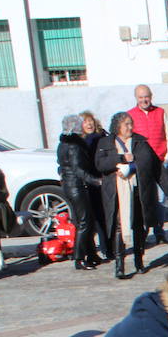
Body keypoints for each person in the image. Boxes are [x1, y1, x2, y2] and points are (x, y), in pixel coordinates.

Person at [95, 112, 160, 279]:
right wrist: (121, 158)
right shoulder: (105, 142)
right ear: (118, 127)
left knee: (139, 226)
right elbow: (100, 164)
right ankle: (119, 265)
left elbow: (152, 164)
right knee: (119, 226)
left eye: (131, 124)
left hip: (137, 190)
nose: (130, 127)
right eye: (126, 125)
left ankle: (139, 261)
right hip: (116, 192)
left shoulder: (140, 141)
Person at [127, 84, 168, 245]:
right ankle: (144, 232)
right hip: (141, 164)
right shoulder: (130, 115)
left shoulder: (160, 112)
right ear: (136, 98)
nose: (144, 100)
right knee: (144, 199)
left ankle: (159, 230)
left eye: (146, 96)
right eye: (141, 97)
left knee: (160, 198)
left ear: (151, 97)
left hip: (159, 160)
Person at [57, 114, 102, 271]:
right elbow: (78, 170)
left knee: (86, 221)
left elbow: (62, 165)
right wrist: (96, 181)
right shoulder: (74, 145)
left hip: (69, 186)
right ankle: (79, 258)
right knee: (84, 222)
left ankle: (91, 254)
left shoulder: (63, 143)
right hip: (76, 186)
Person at [81, 112, 113, 260]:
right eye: (85, 122)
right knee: (94, 218)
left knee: (104, 216)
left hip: (102, 180)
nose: (89, 124)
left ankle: (108, 247)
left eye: (91, 121)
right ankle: (100, 249)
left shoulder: (101, 138)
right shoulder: (80, 141)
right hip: (89, 182)